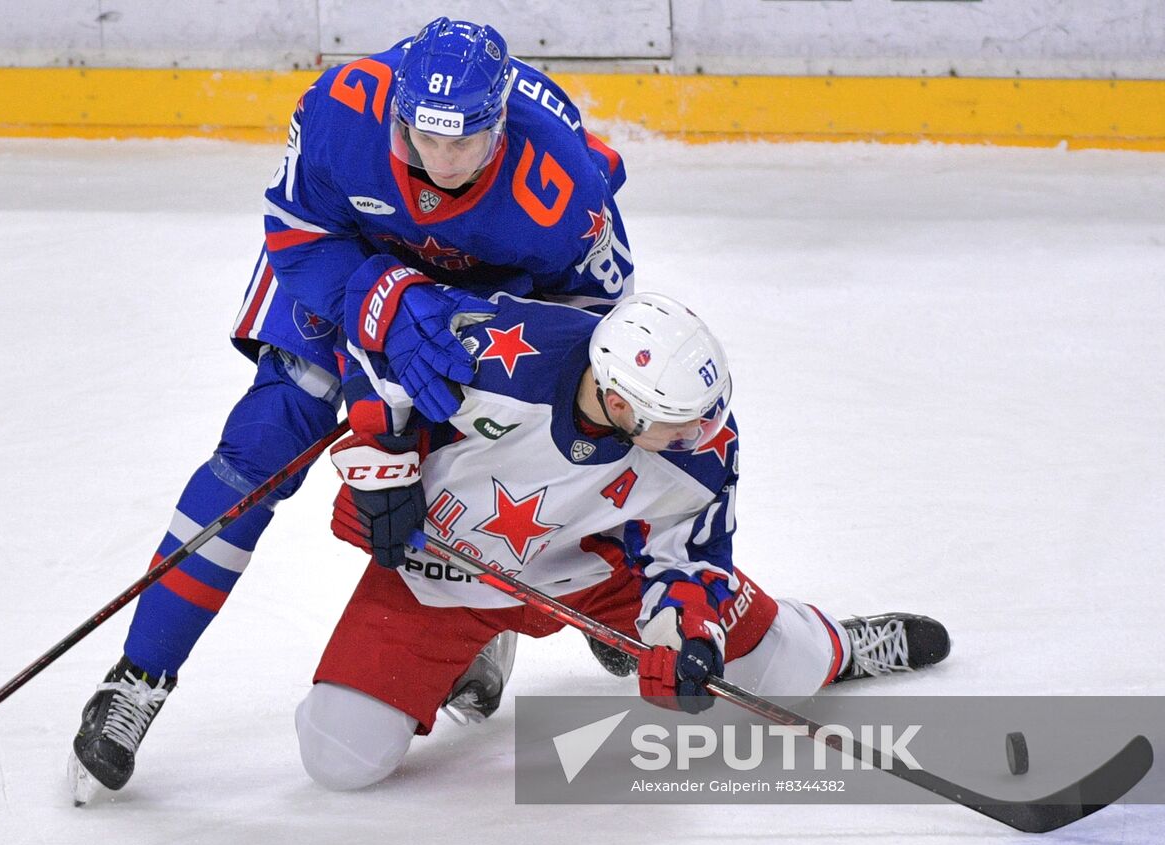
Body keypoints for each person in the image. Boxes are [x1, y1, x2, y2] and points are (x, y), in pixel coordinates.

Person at [69, 16, 637, 798]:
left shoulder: (561, 183)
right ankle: (136, 680)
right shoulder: (342, 108)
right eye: (421, 141)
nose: (439, 164)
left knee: (474, 466)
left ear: (499, 124)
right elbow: (298, 239)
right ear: (397, 113)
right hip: (336, 287)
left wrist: (452, 322)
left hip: (464, 318)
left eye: (463, 145)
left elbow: (591, 333)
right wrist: (378, 307)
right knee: (254, 455)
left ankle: (530, 609)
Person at [298, 279, 951, 790]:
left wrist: (685, 632)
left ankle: (836, 645)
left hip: (598, 572)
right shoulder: (502, 356)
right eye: (676, 424)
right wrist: (379, 467)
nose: (699, 438)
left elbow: (696, 559)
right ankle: (479, 643)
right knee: (341, 757)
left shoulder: (699, 443)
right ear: (617, 400)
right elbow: (374, 329)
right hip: (441, 566)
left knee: (780, 673)